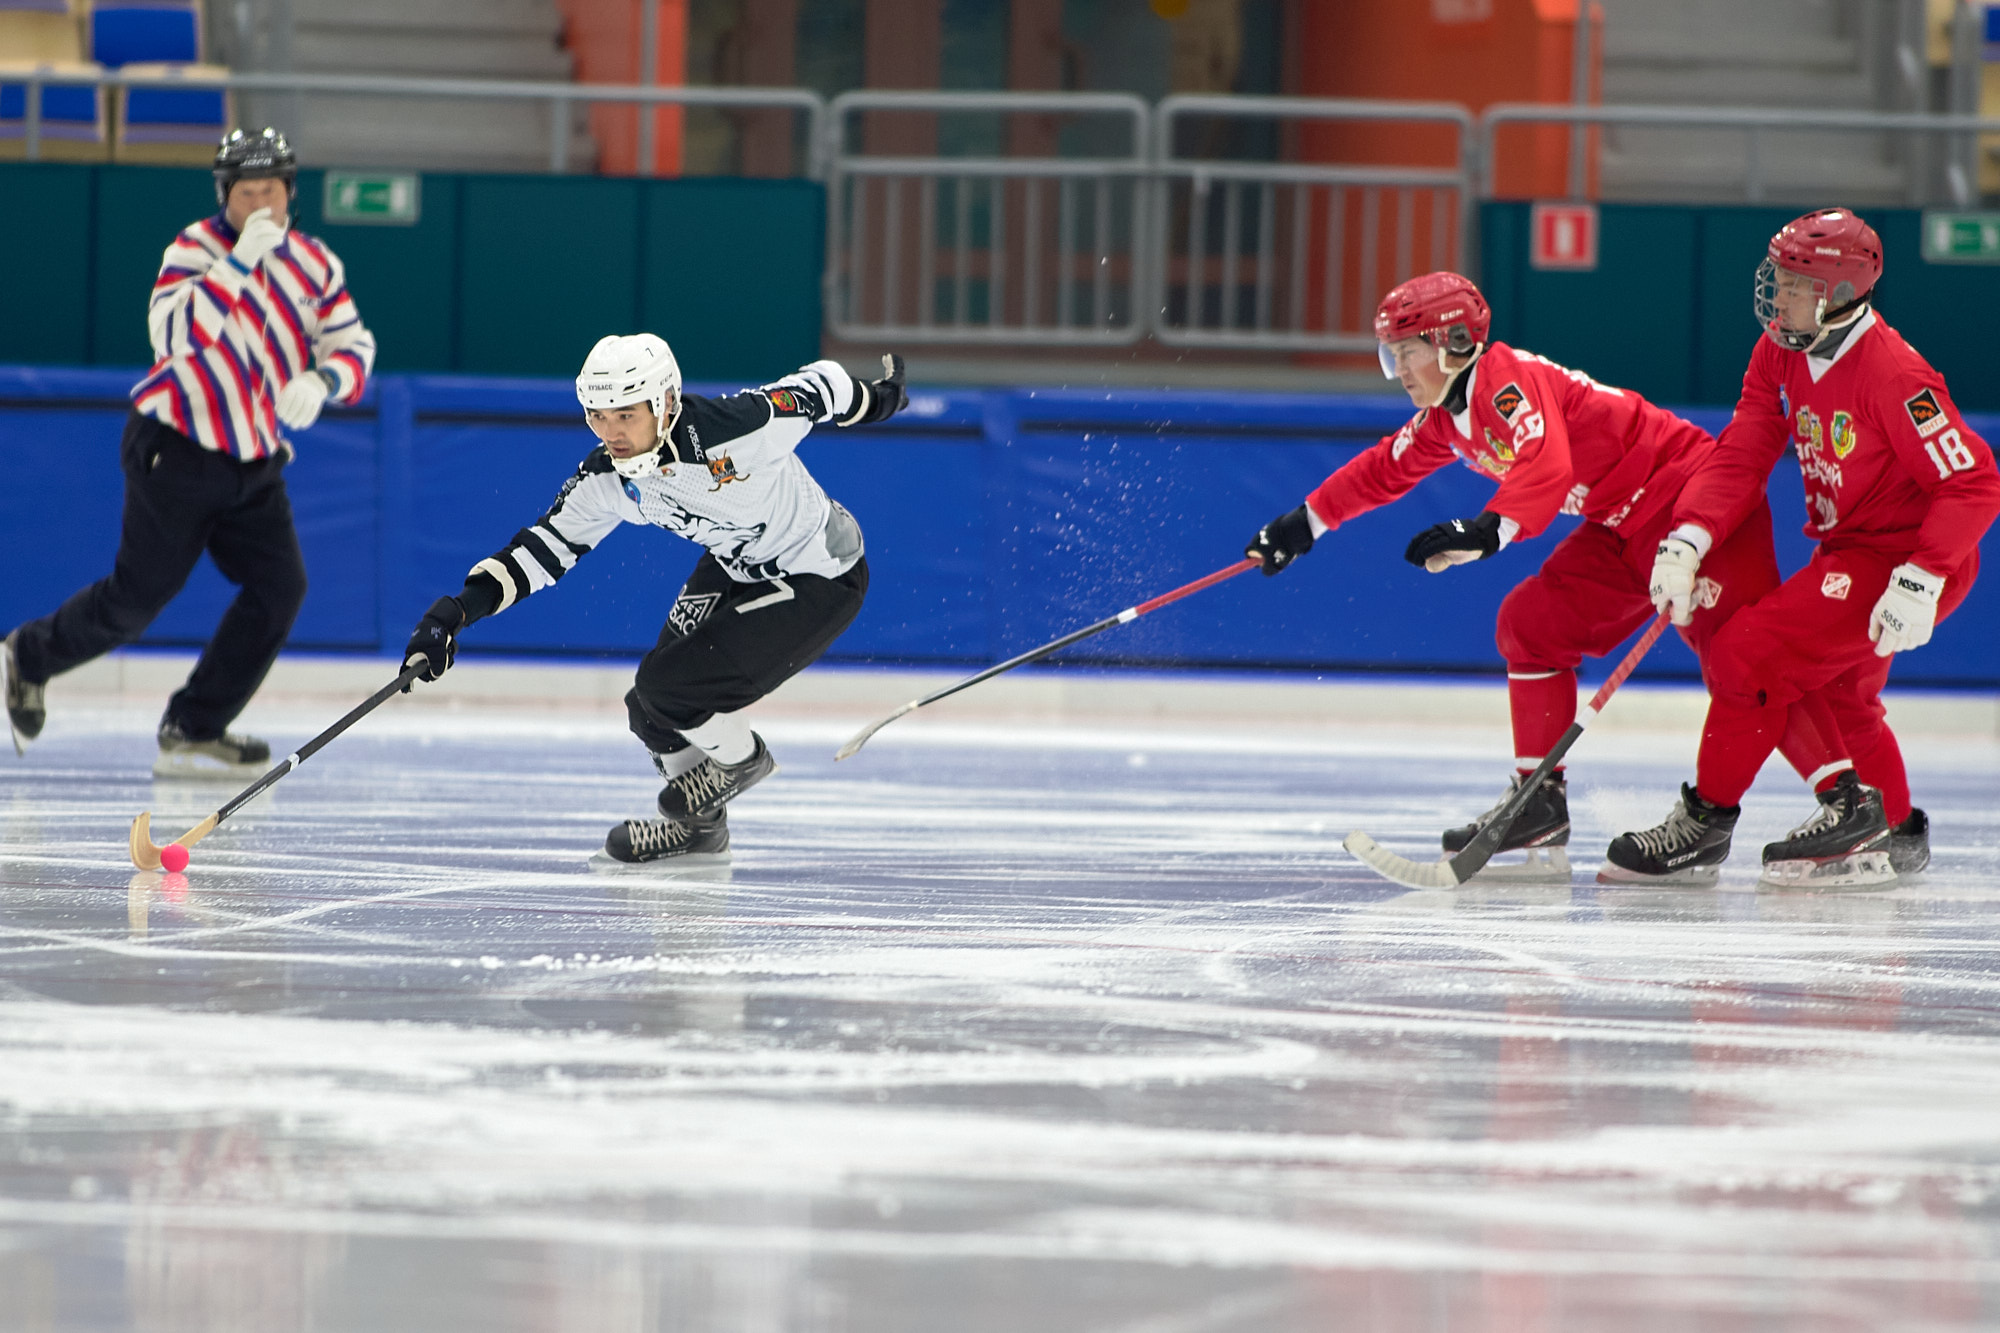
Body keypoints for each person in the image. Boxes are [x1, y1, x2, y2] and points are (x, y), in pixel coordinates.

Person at [1245, 271, 1846, 882]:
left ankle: (1845, 804)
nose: (1398, 369)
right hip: (1621, 523)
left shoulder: (1508, 383)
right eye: (1391, 355)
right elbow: (1382, 469)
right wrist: (1303, 524)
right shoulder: (1448, 416)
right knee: (1531, 624)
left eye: (1408, 351)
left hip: (1688, 498)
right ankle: (1539, 802)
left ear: (1453, 341)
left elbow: (1547, 464)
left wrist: (1487, 531)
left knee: (1744, 659)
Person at [401, 335, 906, 867]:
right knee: (649, 711)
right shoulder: (607, 480)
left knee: (669, 688)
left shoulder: (737, 428)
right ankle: (701, 831)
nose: (612, 433)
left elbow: (818, 387)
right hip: (734, 563)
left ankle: (742, 761)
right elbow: (543, 550)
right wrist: (454, 614)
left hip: (819, 573)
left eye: (626, 414)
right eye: (597, 416)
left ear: (664, 402)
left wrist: (880, 399)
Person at [1606, 208, 2000, 887]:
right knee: (1844, 694)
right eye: (1778, 277)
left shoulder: (1895, 376)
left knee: (1745, 651)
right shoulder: (1781, 349)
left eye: (1794, 283)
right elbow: (1744, 449)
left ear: (1841, 294)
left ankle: (1704, 823)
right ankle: (1892, 832)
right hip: (1850, 550)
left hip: (1902, 563)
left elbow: (1972, 480)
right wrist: (1689, 535)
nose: (1777, 294)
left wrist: (1921, 579)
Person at [1, 128, 375, 776]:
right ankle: (27, 655)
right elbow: (172, 334)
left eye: (272, 190)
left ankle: (194, 724)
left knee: (280, 587)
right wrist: (234, 268)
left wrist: (325, 379)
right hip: (175, 450)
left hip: (255, 462)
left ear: (291, 191)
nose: (260, 204)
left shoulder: (316, 264)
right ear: (224, 195)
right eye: (246, 191)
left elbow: (354, 345)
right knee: (135, 600)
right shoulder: (193, 250)